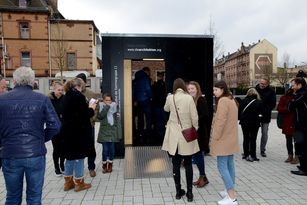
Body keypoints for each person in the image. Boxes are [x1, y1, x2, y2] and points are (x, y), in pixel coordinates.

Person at [0, 66, 61, 204]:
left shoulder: (2, 100)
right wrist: (40, 139)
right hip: (35, 154)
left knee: (12, 196)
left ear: (14, 81)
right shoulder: (42, 99)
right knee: (34, 196)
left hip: (10, 154)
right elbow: (55, 126)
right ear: (33, 82)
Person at [162, 78, 199, 202]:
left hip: (173, 135)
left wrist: (169, 99)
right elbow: (194, 116)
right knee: (188, 164)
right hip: (186, 134)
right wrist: (195, 128)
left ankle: (178, 192)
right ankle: (189, 193)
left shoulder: (170, 97)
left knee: (175, 164)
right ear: (184, 86)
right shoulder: (189, 98)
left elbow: (165, 109)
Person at [61, 78, 97, 191]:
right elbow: (84, 114)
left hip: (67, 131)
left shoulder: (66, 96)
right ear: (80, 86)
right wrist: (92, 108)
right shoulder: (79, 97)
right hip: (78, 132)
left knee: (69, 157)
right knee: (79, 157)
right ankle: (79, 183)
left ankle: (68, 183)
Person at [210, 80, 239, 205]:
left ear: (222, 89)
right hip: (231, 138)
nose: (214, 92)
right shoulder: (231, 99)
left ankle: (232, 197)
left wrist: (214, 137)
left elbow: (220, 121)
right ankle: (230, 192)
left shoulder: (222, 101)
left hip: (222, 138)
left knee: (222, 167)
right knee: (229, 165)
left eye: (216, 90)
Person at [76, 73, 100, 177]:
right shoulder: (73, 94)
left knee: (90, 147)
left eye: (81, 82)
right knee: (77, 146)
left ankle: (91, 167)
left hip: (89, 125)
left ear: (85, 82)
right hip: (76, 126)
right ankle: (77, 168)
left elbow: (96, 109)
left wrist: (92, 120)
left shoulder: (91, 94)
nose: (79, 84)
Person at [187, 81, 210, 187]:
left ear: (197, 89)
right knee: (196, 156)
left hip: (200, 133)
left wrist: (194, 121)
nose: (191, 90)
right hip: (193, 132)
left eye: (192, 88)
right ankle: (202, 176)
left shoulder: (201, 100)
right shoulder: (190, 100)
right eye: (189, 89)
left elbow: (205, 115)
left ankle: (203, 177)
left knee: (198, 155)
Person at [97, 93, 122, 173]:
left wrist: (119, 133)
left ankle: (110, 164)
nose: (108, 102)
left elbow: (118, 122)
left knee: (112, 150)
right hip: (104, 132)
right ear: (103, 100)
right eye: (106, 100)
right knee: (105, 150)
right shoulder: (101, 107)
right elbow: (100, 116)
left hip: (112, 132)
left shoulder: (115, 107)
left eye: (109, 100)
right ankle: (104, 165)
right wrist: (107, 107)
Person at [288, 77, 307, 176]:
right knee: (299, 145)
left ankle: (304, 169)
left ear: (299, 85)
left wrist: (292, 98)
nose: (292, 87)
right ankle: (303, 166)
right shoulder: (300, 94)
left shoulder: (303, 94)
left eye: (293, 85)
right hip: (299, 124)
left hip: (302, 125)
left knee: (302, 146)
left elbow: (291, 105)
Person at [238, 88, 263, 162]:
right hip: (255, 123)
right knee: (253, 139)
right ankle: (253, 155)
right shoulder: (259, 102)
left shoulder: (243, 101)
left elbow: (239, 112)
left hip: (244, 123)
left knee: (245, 138)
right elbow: (261, 113)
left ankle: (246, 154)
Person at [255, 78, 276, 157]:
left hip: (266, 115)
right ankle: (250, 149)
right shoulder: (255, 90)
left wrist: (266, 110)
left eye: (264, 84)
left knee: (264, 133)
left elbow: (272, 104)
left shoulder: (271, 91)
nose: (262, 85)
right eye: (261, 83)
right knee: (253, 133)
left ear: (267, 84)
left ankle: (262, 150)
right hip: (256, 115)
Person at [48, 81, 65, 176]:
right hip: (54, 128)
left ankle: (63, 165)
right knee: (56, 148)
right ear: (54, 89)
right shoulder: (49, 100)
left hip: (64, 127)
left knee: (63, 148)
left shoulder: (64, 98)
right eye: (59, 90)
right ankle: (56, 167)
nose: (60, 91)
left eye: (62, 90)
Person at [277, 88, 298, 164]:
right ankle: (290, 155)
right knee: (288, 140)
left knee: (297, 141)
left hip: (296, 121)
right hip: (287, 122)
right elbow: (279, 108)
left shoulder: (298, 97)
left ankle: (297, 157)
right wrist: (288, 109)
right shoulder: (284, 97)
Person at [132, 67, 153, 144]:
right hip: (146, 100)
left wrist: (135, 100)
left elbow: (133, 91)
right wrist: (151, 97)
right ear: (146, 71)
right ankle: (148, 134)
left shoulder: (136, 79)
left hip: (138, 101)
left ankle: (140, 133)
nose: (149, 73)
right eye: (149, 72)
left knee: (140, 118)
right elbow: (148, 89)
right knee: (148, 118)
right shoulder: (145, 78)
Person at [152, 71, 166, 144]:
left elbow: (152, 95)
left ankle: (158, 136)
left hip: (156, 106)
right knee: (163, 121)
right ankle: (163, 136)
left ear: (157, 77)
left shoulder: (154, 85)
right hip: (163, 106)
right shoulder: (165, 85)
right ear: (163, 77)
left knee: (158, 121)